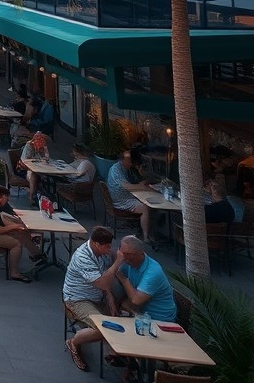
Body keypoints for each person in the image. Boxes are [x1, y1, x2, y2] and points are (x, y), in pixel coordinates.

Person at [63, 226, 124, 372]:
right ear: (96, 244)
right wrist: (117, 263)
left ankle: (112, 353)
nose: (110, 250)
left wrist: (109, 296)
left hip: (96, 297)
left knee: (119, 323)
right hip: (77, 299)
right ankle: (73, 342)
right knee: (104, 328)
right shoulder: (83, 257)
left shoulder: (101, 252)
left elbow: (104, 278)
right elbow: (102, 282)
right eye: (107, 247)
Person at [0, 185, 46, 283]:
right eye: (6, 200)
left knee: (20, 233)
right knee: (16, 244)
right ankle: (14, 273)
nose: (6, 202)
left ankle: (36, 255)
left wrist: (15, 218)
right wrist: (16, 226)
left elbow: (6, 209)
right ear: (0, 197)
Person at [116, 235, 177, 321]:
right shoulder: (127, 262)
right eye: (122, 253)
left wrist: (124, 280)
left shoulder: (153, 272)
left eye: (128, 254)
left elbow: (136, 300)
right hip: (141, 314)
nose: (124, 257)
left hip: (159, 319)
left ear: (140, 253)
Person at [107, 148, 153, 243]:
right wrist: (142, 187)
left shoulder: (127, 169)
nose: (131, 164)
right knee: (145, 207)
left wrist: (141, 176)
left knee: (148, 202)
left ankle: (146, 229)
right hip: (120, 201)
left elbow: (137, 182)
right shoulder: (116, 169)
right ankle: (146, 237)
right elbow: (127, 186)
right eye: (129, 161)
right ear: (123, 160)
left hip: (127, 196)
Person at [21, 131, 50, 206]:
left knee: (48, 175)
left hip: (39, 169)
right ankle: (32, 196)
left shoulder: (42, 147)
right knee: (33, 175)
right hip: (25, 169)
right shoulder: (29, 145)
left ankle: (48, 196)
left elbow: (47, 158)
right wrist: (38, 161)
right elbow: (25, 160)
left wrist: (46, 149)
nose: (42, 143)